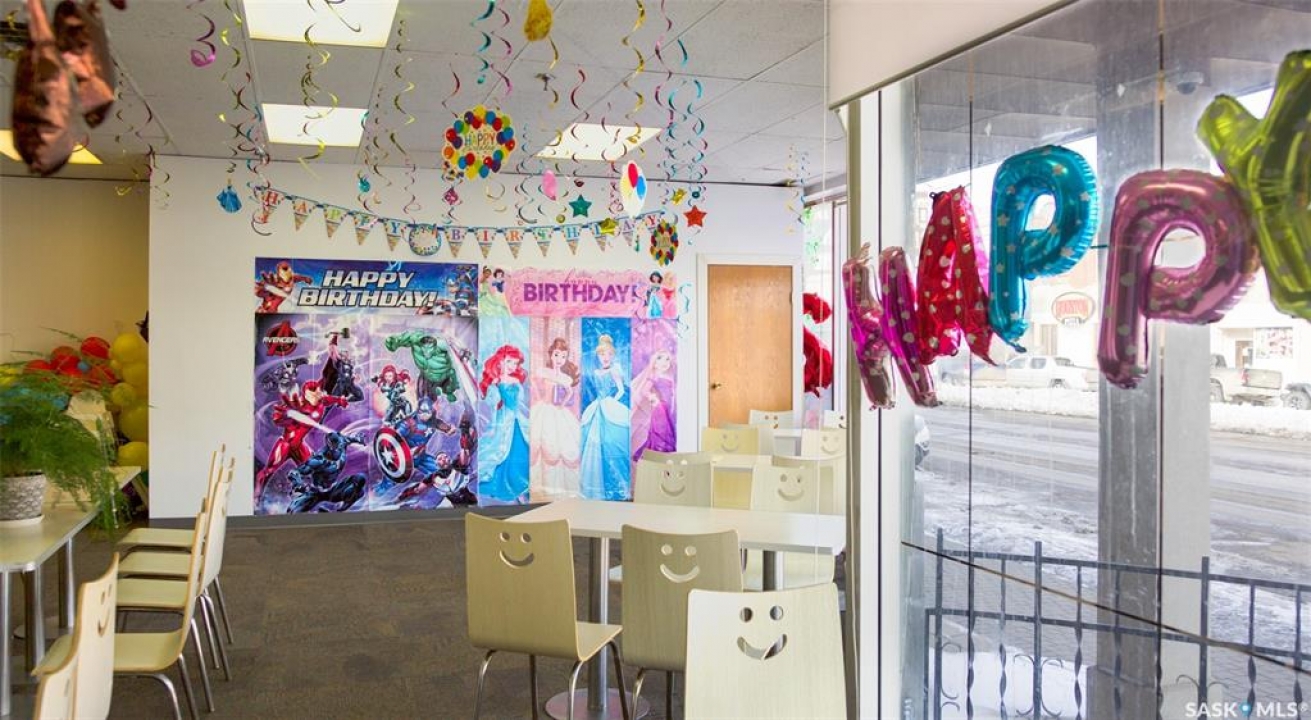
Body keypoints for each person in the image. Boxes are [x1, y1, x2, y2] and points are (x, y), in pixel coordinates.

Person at [255, 380, 349, 502]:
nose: (317, 396)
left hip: (298, 445)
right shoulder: (298, 405)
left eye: (318, 393)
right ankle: (256, 495)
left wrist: (339, 400)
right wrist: (285, 417)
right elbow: (278, 419)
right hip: (286, 444)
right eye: (313, 394)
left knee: (315, 467)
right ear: (306, 395)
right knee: (269, 470)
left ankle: (313, 494)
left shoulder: (321, 401)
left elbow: (328, 399)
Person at [579, 334, 631, 501]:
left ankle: (617, 484)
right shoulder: (595, 372)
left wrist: (612, 401)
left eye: (609, 354)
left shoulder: (614, 371)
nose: (605, 357)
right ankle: (593, 483)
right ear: (598, 356)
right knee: (592, 439)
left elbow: (621, 390)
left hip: (608, 404)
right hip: (597, 405)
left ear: (613, 355)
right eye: (602, 354)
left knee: (611, 441)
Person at [476, 345, 530, 504]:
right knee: (502, 448)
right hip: (504, 417)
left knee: (522, 448)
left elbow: (520, 401)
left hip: (517, 417)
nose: (512, 366)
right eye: (509, 362)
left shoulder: (516, 380)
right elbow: (492, 403)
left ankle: (522, 484)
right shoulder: (496, 381)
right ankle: (505, 483)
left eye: (515, 363)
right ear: (500, 361)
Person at [529, 337, 581, 500]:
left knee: (561, 443)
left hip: (558, 411)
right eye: (557, 355)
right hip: (543, 408)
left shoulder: (565, 378)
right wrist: (538, 397)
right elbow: (533, 381)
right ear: (551, 354)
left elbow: (570, 392)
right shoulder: (544, 371)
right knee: (540, 440)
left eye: (563, 356)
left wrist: (562, 404)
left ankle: (559, 485)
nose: (559, 359)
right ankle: (540, 484)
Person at [630, 348, 676, 461]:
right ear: (654, 363)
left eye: (667, 360)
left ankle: (661, 456)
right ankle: (657, 456)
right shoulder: (654, 375)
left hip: (666, 408)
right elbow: (644, 391)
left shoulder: (668, 377)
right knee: (660, 431)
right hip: (659, 408)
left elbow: (671, 394)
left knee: (666, 431)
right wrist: (653, 398)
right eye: (660, 359)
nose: (665, 362)